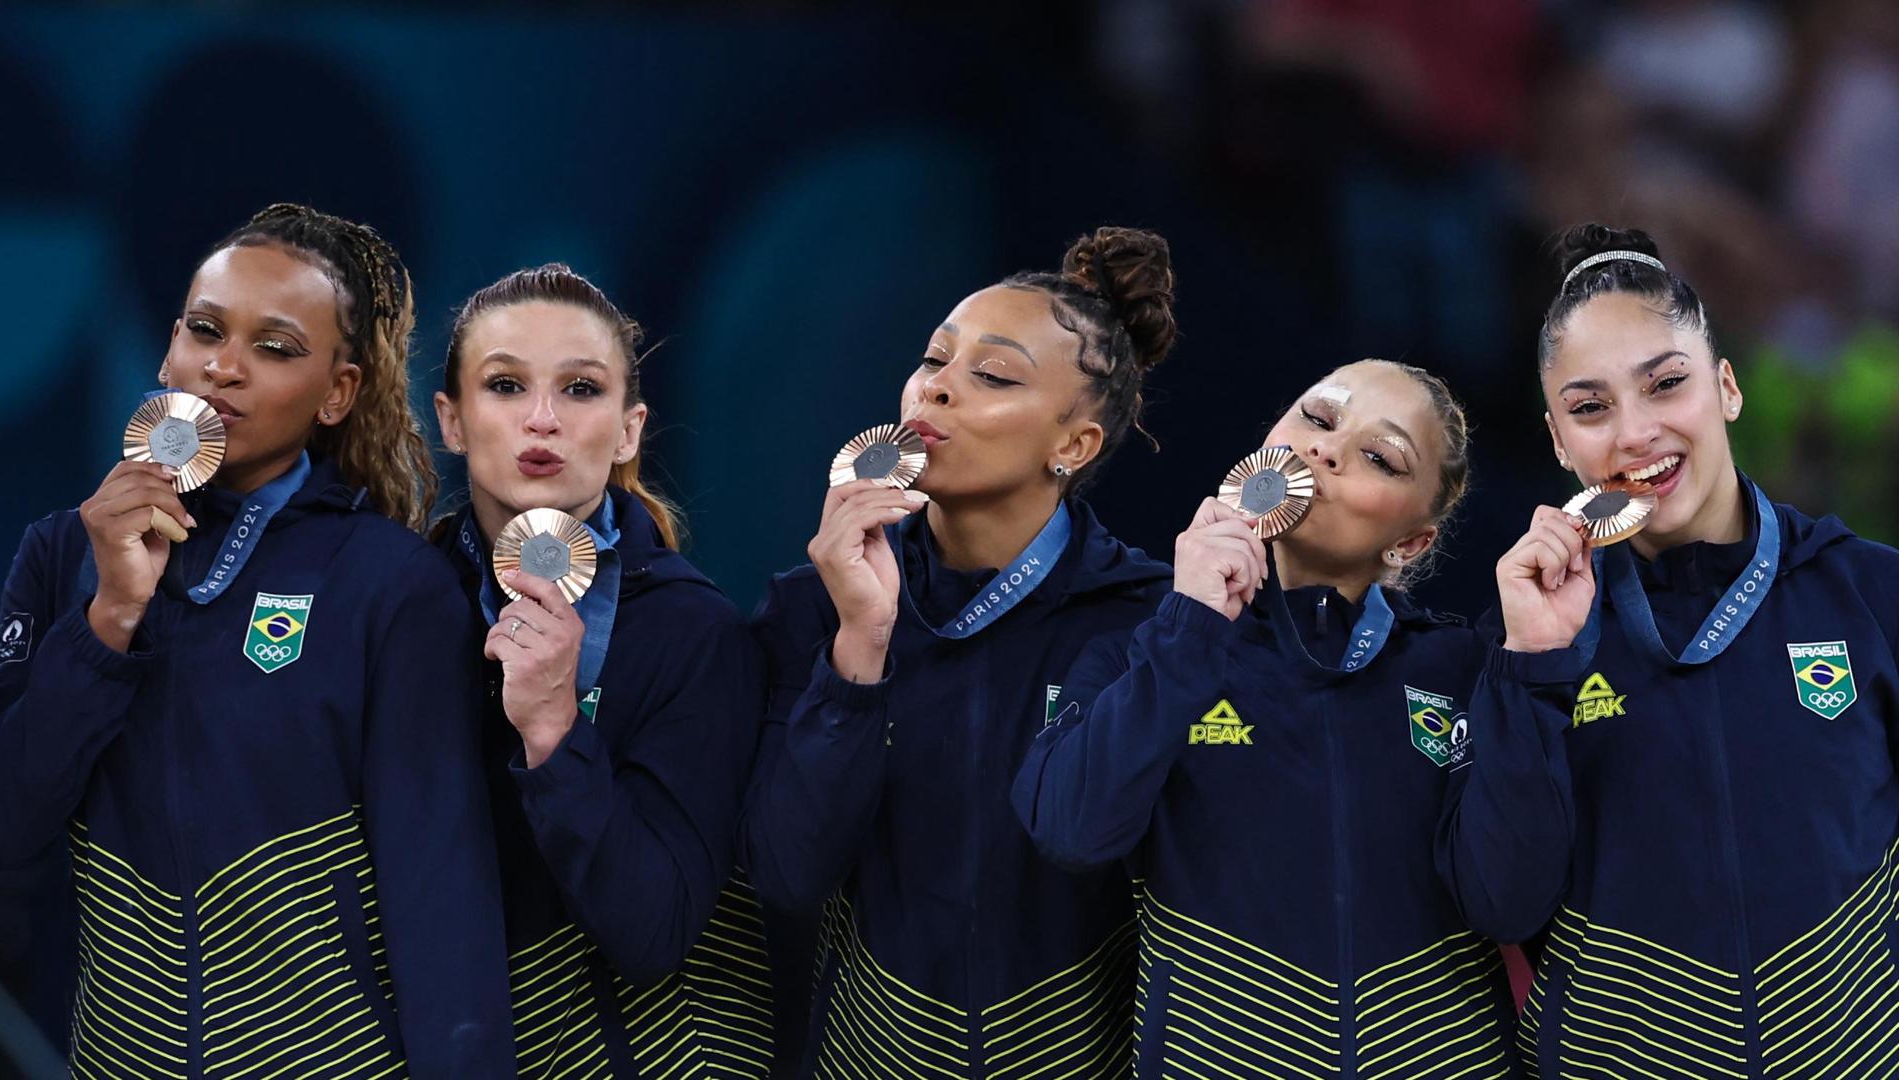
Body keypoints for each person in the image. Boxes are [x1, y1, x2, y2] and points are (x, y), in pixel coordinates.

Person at [0, 203, 513, 1075]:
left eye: (275, 348)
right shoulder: (62, 556)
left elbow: (440, 897)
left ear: (337, 393)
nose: (222, 367)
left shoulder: (389, 585)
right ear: (168, 351)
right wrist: (108, 619)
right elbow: (5, 828)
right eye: (204, 330)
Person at [1438, 223, 1899, 1077]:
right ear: (1556, 441)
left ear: (1726, 386)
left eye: (1666, 385)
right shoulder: (1514, 646)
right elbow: (1502, 902)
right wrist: (1535, 669)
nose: (1636, 433)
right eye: (1590, 408)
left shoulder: (1870, 597)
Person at [740, 227, 1177, 1076]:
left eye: (993, 375)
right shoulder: (810, 607)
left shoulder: (1149, 626)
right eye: (934, 360)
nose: (936, 389)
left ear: (1073, 446)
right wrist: (857, 654)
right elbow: (787, 876)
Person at [1015, 359, 1516, 1078]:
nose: (1327, 449)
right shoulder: (1136, 657)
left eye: (1379, 456)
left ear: (1410, 543)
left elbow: (1515, 899)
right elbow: (1070, 832)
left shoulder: (1462, 671)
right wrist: (1188, 630)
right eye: (1317, 418)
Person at [431, 263, 771, 1078]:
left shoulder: (697, 633)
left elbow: (655, 931)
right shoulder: (397, 602)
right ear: (451, 419)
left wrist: (554, 732)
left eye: (581, 390)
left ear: (628, 430)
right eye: (505, 385)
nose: (541, 420)